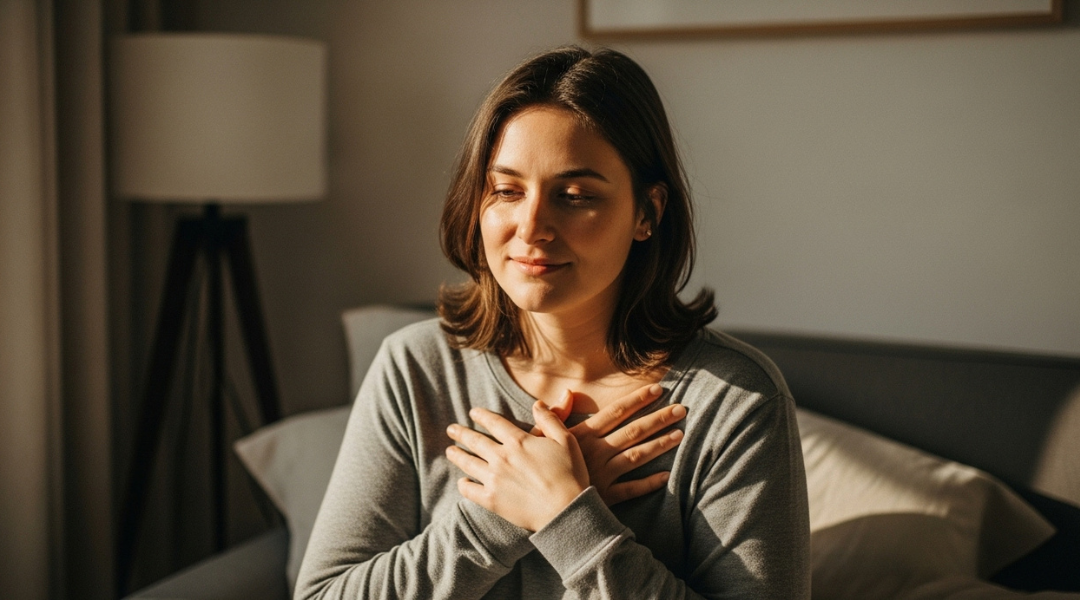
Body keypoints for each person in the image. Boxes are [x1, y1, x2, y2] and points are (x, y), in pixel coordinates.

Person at [295, 46, 810, 599]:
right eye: (507, 190)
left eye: (575, 196)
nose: (532, 226)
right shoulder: (415, 367)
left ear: (648, 213)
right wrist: (499, 519)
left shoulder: (735, 401)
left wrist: (568, 517)